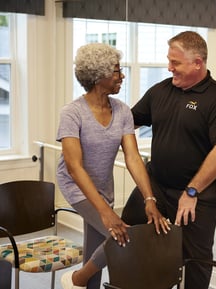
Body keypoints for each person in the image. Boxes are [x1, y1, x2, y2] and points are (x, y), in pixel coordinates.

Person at [121, 31, 216, 289]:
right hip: (157, 185)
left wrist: (192, 191)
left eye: (176, 63)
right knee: (127, 228)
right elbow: (127, 122)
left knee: (195, 258)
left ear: (197, 62)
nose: (169, 67)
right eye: (169, 60)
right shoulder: (160, 91)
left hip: (198, 194)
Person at [57, 43, 169, 289]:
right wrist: (106, 212)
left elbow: (133, 157)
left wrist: (149, 199)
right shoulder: (72, 113)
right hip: (76, 185)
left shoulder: (122, 111)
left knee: (98, 246)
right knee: (121, 236)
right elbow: (74, 167)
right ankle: (77, 279)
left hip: (103, 186)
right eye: (117, 71)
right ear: (100, 75)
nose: (122, 76)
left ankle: (83, 283)